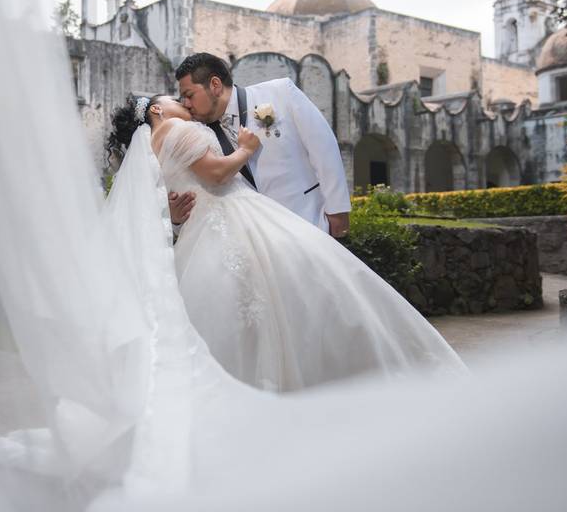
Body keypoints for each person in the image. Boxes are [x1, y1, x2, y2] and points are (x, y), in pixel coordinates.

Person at [106, 94, 465, 392]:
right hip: (232, 214)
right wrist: (247, 148)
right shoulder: (174, 126)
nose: (181, 101)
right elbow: (215, 173)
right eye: (172, 98)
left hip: (199, 232)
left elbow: (164, 201)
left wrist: (178, 216)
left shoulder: (149, 150)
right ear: (156, 109)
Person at [169, 53, 351, 238]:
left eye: (189, 95)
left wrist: (338, 210)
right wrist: (177, 220)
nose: (186, 104)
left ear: (215, 85)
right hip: (253, 241)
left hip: (308, 219)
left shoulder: (281, 92)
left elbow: (323, 147)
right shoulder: (197, 134)